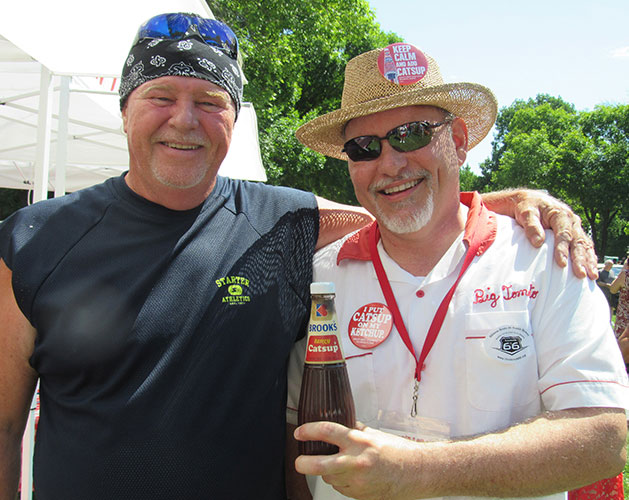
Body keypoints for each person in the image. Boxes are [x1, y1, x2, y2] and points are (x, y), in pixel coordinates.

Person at [0, 14, 600, 500]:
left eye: (211, 100)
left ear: (234, 118)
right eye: (161, 95)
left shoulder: (284, 223)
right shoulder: (32, 240)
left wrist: (507, 201)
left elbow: (398, 208)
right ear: (125, 105)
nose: (185, 120)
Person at [286, 43, 628, 500]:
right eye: (364, 147)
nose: (390, 163)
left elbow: (605, 438)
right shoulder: (319, 277)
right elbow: (295, 430)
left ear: (460, 140)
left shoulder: (547, 256)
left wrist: (418, 471)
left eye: (411, 134)